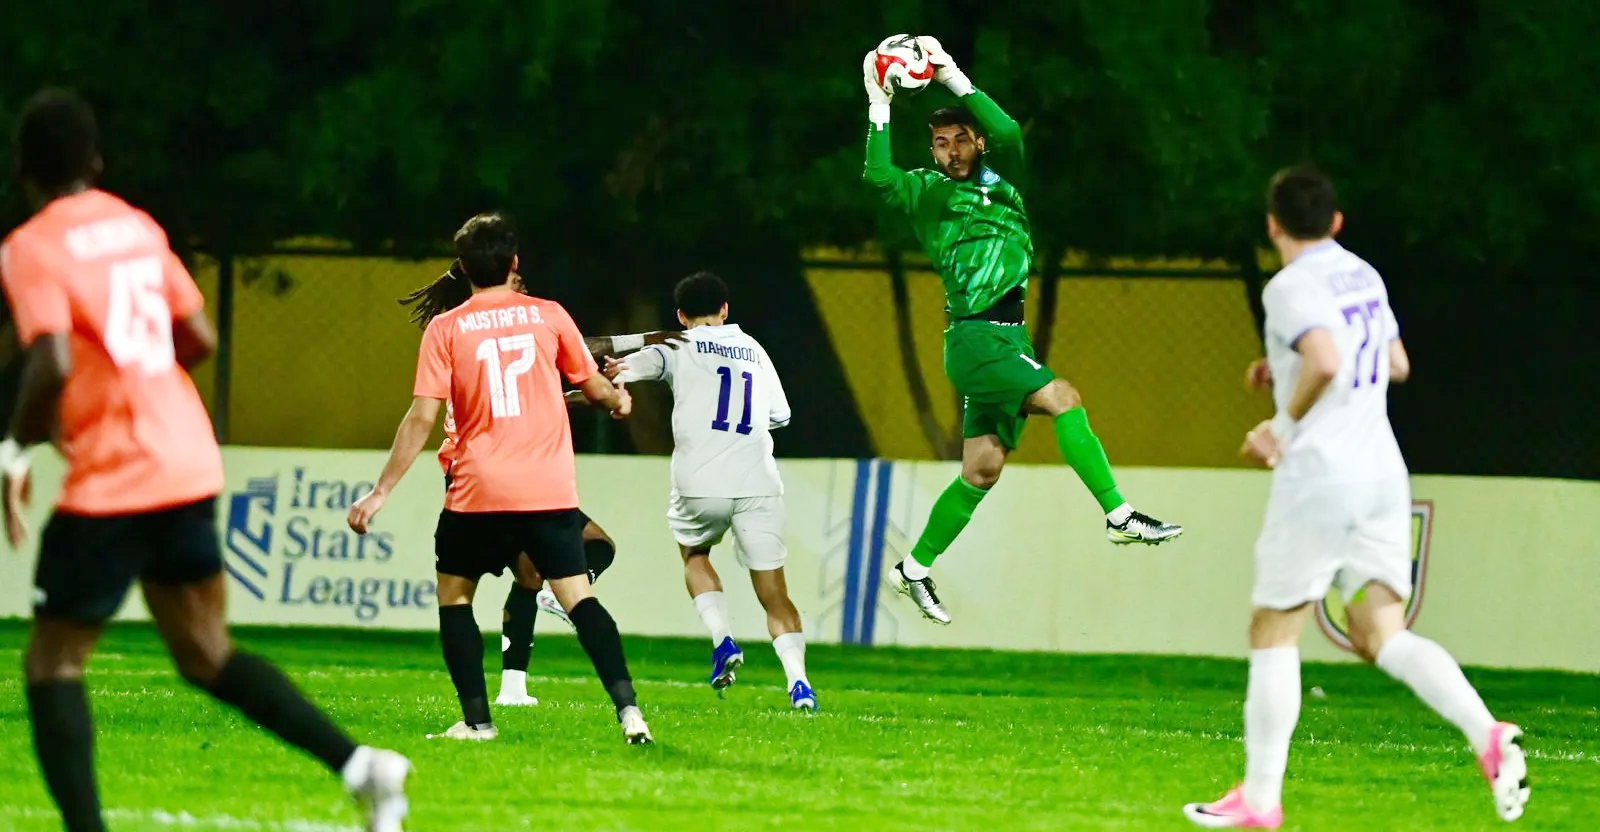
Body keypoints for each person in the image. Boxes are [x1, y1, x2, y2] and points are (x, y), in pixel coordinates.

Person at [0, 88, 410, 832]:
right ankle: (363, 768)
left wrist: (16, 448)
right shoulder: (137, 226)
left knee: (53, 662)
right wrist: (144, 386)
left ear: (23, 169)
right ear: (95, 161)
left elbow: (51, 361)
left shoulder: (31, 246)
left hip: (115, 480)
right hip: (186, 464)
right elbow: (199, 335)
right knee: (204, 653)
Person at [1182, 168, 1528, 829]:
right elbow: (1394, 363)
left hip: (1321, 477)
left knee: (1273, 629)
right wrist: (1281, 369)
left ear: (1272, 225)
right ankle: (1486, 733)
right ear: (1336, 221)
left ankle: (1260, 800)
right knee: (1382, 634)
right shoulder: (1362, 273)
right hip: (1381, 474)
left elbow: (1326, 360)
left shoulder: (1290, 286)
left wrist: (1279, 426)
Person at [860, 36, 1183, 626]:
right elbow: (878, 173)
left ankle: (913, 568)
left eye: (961, 138)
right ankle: (1119, 515)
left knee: (981, 470)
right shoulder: (926, 192)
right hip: (976, 338)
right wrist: (878, 102)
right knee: (1065, 399)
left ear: (977, 142)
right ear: (931, 150)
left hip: (1009, 337)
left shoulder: (1003, 176)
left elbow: (1008, 131)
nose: (951, 150)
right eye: (940, 142)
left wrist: (951, 75)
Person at [349, 213, 651, 745]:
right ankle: (629, 712)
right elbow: (595, 388)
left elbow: (421, 418)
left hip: (477, 490)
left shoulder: (446, 328)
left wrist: (381, 491)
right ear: (514, 262)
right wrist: (619, 400)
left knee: (455, 598)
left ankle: (478, 722)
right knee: (580, 600)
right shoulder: (549, 315)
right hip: (547, 490)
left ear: (463, 267)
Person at [399, 264, 681, 707]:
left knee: (555, 563)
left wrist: (587, 394)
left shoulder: (469, 333)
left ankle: (511, 689)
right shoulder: (480, 333)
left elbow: (542, 389)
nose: (523, 287)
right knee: (503, 581)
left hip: (504, 474)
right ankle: (505, 691)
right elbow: (582, 349)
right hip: (479, 476)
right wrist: (645, 340)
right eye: (517, 280)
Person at [608, 272, 816, 710]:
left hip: (700, 482)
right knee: (774, 592)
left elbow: (622, 369)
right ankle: (800, 685)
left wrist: (613, 369)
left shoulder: (676, 345)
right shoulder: (754, 348)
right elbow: (781, 415)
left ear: (681, 316)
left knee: (695, 555)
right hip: (757, 482)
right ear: (725, 309)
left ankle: (722, 639)